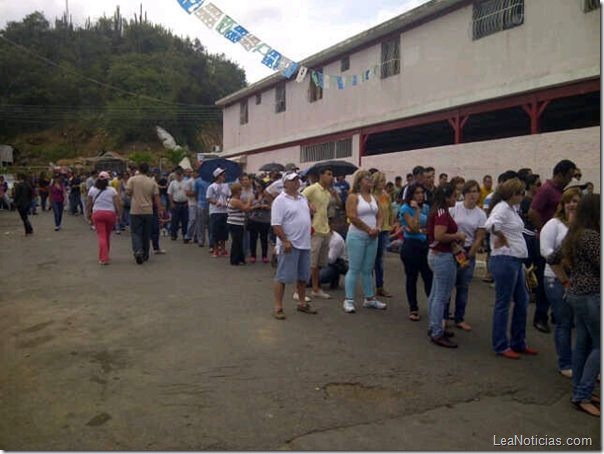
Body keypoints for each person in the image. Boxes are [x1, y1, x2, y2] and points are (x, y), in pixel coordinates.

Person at [548, 194, 600, 417]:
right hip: (591, 294)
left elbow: (552, 259)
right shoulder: (591, 236)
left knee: (584, 344)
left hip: (577, 293)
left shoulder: (574, 234)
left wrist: (566, 282)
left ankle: (580, 389)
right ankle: (582, 394)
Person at [484, 178, 538, 359]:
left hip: (515, 259)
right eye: (520, 193)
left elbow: (518, 231)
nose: (523, 196)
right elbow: (490, 224)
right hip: (506, 259)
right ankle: (501, 344)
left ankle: (518, 341)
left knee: (521, 302)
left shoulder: (512, 210)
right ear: (512, 194)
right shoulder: (502, 208)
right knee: (504, 303)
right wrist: (500, 236)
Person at [528, 159, 577, 334]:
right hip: (547, 242)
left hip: (559, 241)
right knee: (545, 281)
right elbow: (533, 212)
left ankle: (558, 313)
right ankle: (540, 317)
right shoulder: (546, 190)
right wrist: (544, 230)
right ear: (560, 174)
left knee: (562, 277)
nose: (570, 180)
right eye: (569, 176)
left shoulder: (559, 191)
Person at [540, 188, 582, 379]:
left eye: (575, 201)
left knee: (582, 324)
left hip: (579, 280)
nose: (572, 204)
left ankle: (583, 363)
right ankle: (565, 363)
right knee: (564, 322)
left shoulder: (585, 226)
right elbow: (546, 251)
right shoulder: (554, 224)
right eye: (568, 202)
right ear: (562, 205)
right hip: (555, 279)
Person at [271, 171, 317, 319]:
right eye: (293, 180)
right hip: (290, 243)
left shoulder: (302, 197)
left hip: (304, 242)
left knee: (303, 276)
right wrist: (285, 240)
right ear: (285, 183)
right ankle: (278, 306)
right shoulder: (280, 200)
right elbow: (276, 224)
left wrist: (311, 212)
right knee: (283, 276)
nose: (297, 182)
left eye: (297, 180)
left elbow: (304, 217)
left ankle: (302, 303)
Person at [426, 183, 465, 348]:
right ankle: (436, 331)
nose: (456, 200)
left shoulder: (439, 211)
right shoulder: (442, 213)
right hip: (442, 256)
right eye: (454, 196)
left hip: (438, 254)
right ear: (447, 197)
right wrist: (458, 235)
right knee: (441, 295)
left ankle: (435, 325)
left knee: (436, 293)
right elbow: (440, 235)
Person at [342, 170, 385, 314]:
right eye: (367, 179)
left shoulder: (374, 197)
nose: (370, 181)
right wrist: (368, 229)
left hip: (373, 237)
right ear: (359, 181)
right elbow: (352, 216)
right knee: (354, 268)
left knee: (368, 269)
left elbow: (380, 215)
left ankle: (369, 298)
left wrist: (377, 228)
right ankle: (349, 300)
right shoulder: (353, 197)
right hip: (357, 236)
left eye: (370, 179)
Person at [447, 180, 487, 331]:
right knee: (448, 285)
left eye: (475, 191)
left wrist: (470, 254)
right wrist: (454, 246)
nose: (473, 194)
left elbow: (479, 236)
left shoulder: (481, 214)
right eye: (469, 191)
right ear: (464, 193)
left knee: (463, 286)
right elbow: (447, 228)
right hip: (452, 249)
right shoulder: (454, 208)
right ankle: (444, 316)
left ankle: (459, 318)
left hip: (468, 250)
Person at [399, 183, 432, 321]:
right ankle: (413, 308)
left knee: (428, 277)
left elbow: (430, 226)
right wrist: (417, 211)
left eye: (421, 193)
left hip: (425, 244)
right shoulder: (405, 208)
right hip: (411, 246)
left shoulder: (427, 207)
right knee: (412, 278)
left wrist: (422, 229)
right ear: (411, 195)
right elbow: (413, 227)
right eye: (417, 193)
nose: (420, 195)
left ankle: (433, 306)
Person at [302, 168, 335, 300]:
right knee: (310, 262)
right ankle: (300, 290)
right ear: (321, 175)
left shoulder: (327, 193)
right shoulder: (313, 188)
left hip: (325, 229)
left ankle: (316, 288)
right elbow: (299, 198)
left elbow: (328, 210)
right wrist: (309, 205)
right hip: (314, 229)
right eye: (329, 174)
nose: (331, 177)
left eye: (332, 175)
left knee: (319, 263)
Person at [126, 162, 163, 265]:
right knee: (146, 233)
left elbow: (128, 192)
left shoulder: (132, 180)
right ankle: (145, 254)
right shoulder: (152, 182)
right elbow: (156, 197)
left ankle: (138, 250)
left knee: (136, 232)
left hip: (135, 210)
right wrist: (160, 210)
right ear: (148, 170)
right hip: (148, 210)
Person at [87, 171, 122, 265]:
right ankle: (106, 255)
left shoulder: (92, 189)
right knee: (107, 235)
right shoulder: (112, 190)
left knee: (101, 236)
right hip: (110, 214)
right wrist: (119, 214)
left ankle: (103, 258)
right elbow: (117, 203)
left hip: (97, 214)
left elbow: (89, 203)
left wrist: (88, 214)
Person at [372, 171, 394, 298]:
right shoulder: (371, 195)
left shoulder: (386, 195)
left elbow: (390, 211)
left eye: (384, 181)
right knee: (371, 259)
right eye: (381, 181)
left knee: (379, 259)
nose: (384, 183)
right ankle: (369, 286)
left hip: (384, 229)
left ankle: (380, 286)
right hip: (374, 229)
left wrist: (390, 224)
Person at [207, 168, 231, 257]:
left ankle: (223, 249)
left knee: (224, 231)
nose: (224, 176)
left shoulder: (226, 185)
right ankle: (216, 249)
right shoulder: (212, 186)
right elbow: (209, 198)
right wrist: (216, 202)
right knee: (215, 231)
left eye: (224, 175)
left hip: (225, 210)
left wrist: (227, 202)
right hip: (215, 211)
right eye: (222, 175)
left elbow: (229, 196)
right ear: (218, 176)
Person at [227, 183, 253, 266]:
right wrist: (250, 200)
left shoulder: (236, 200)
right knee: (236, 241)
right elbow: (246, 209)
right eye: (240, 190)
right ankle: (234, 259)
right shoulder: (234, 200)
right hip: (235, 223)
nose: (241, 191)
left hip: (238, 223)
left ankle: (240, 258)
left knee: (239, 241)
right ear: (236, 191)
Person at [248, 184, 271, 264]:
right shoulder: (253, 196)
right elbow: (248, 208)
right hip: (254, 219)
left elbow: (273, 206)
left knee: (264, 239)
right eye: (257, 187)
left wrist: (266, 207)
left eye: (260, 187)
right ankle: (253, 255)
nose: (258, 188)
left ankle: (264, 256)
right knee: (253, 238)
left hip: (265, 220)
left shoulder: (268, 196)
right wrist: (256, 205)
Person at [168, 168, 189, 242]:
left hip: (184, 203)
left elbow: (188, 193)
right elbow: (170, 194)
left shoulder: (186, 182)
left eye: (180, 175)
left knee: (185, 220)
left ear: (182, 175)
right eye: (177, 175)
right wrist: (171, 203)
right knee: (174, 220)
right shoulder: (173, 183)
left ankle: (185, 234)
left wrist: (188, 202)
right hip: (176, 203)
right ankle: (173, 234)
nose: (179, 176)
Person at [194, 171, 211, 249]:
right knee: (200, 223)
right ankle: (201, 240)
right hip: (201, 204)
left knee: (210, 224)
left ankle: (212, 241)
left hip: (210, 204)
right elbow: (196, 192)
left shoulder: (211, 180)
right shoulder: (198, 180)